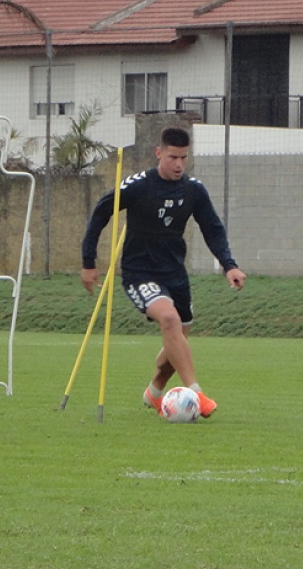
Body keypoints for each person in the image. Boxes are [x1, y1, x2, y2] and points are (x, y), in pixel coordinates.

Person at [81, 127, 246, 418]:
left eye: (183, 157)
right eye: (173, 157)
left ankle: (154, 392)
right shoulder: (139, 185)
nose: (179, 164)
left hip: (175, 275)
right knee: (169, 320)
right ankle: (197, 394)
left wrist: (229, 265)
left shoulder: (193, 190)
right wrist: (89, 261)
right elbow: (101, 212)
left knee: (178, 339)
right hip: (139, 272)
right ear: (159, 153)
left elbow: (213, 229)